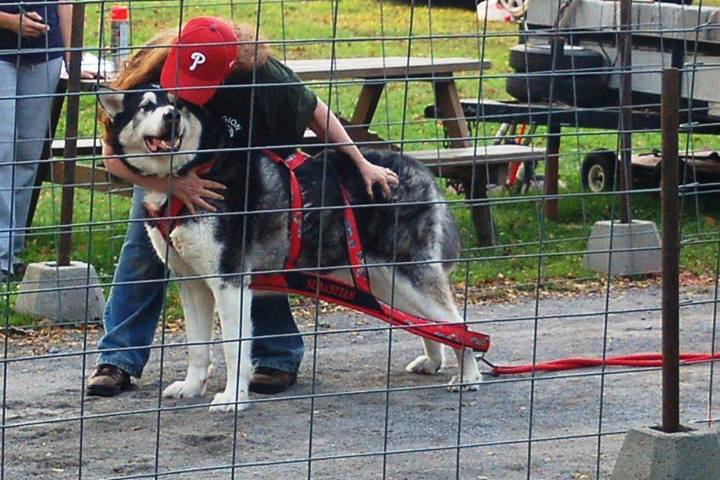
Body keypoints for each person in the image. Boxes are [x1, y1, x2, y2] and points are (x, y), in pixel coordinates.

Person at [87, 16, 399, 397]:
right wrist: (171, 185)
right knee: (141, 252)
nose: (187, 91)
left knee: (256, 247)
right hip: (160, 169)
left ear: (230, 68)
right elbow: (111, 154)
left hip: (240, 170)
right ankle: (119, 358)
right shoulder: (150, 69)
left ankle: (276, 356)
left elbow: (317, 112)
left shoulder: (266, 76)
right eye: (182, 76)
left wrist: (359, 162)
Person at [0, 1, 93, 281]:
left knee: (28, 157)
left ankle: (12, 253)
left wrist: (70, 56)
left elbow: (66, 3)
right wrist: (7, 21)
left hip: (45, 54)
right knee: (2, 154)